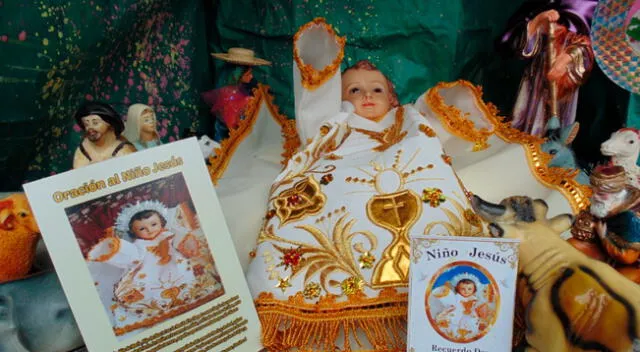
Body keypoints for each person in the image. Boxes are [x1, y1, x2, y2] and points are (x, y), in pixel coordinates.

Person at [246, 19, 485, 351]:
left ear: (392, 96)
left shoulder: (409, 119)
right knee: (337, 202)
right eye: (354, 90)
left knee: (437, 202)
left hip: (412, 180)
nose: (367, 96)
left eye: (376, 89)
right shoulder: (338, 125)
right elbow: (317, 149)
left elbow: (430, 149)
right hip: (345, 176)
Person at [86, 200, 222, 336]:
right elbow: (132, 255)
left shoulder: (168, 234)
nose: (150, 230)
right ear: (133, 232)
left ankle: (186, 293)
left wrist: (187, 244)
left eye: (153, 224)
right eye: (142, 229)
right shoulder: (139, 244)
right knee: (144, 287)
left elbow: (180, 238)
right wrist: (116, 246)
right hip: (149, 270)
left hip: (175, 265)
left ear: (161, 222)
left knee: (185, 274)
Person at [499, 3, 595, 137]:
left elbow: (589, 47)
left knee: (556, 128)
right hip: (539, 72)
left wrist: (567, 58)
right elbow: (521, 41)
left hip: (564, 78)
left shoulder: (593, 5)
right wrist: (538, 21)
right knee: (527, 119)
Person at [202, 48, 269, 141]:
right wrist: (245, 104)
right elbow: (231, 127)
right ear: (237, 74)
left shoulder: (240, 89)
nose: (252, 76)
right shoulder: (229, 95)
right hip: (227, 143)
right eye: (248, 74)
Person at [72, 101, 136, 169]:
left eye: (95, 123)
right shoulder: (83, 151)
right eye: (86, 124)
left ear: (108, 123)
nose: (90, 128)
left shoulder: (124, 149)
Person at [433, 275, 487, 341]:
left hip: (470, 315)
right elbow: (449, 302)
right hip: (457, 312)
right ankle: (453, 334)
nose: (466, 291)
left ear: (474, 290)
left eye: (469, 289)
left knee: (471, 322)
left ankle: (468, 334)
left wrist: (479, 308)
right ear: (457, 289)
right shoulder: (456, 297)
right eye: (463, 289)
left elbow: (478, 307)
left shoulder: (475, 299)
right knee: (452, 322)